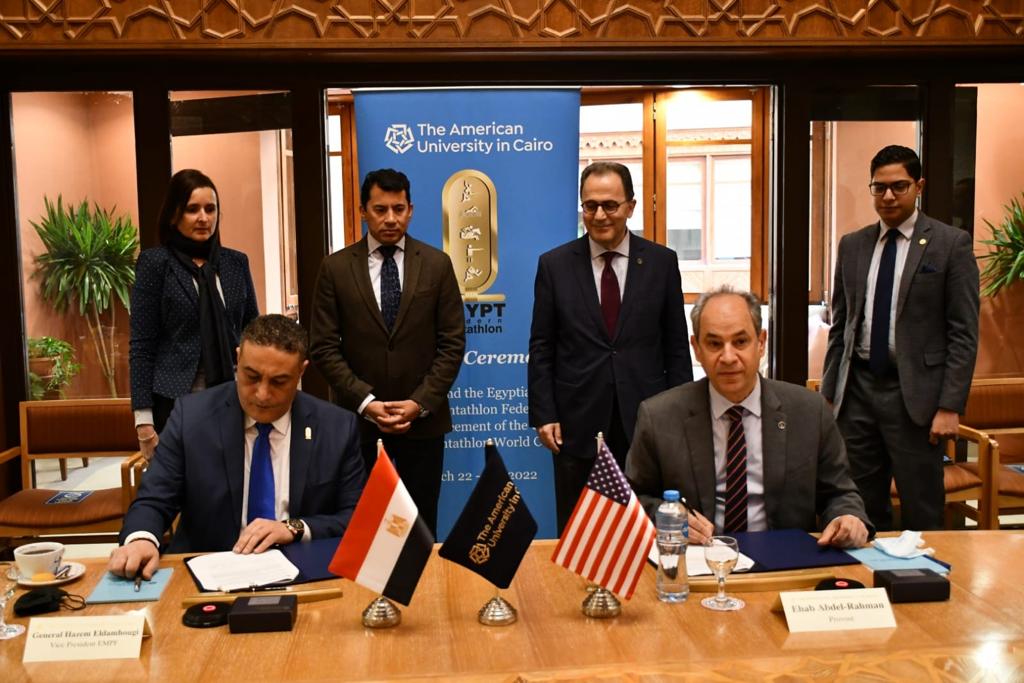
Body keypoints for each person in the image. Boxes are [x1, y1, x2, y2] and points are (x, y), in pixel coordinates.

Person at [109, 315, 366, 580]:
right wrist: (141, 539)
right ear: (238, 358)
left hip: (304, 572)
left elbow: (357, 518)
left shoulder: (336, 427)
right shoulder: (192, 417)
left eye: (279, 382)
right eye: (251, 376)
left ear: (301, 371)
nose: (262, 394)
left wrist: (294, 528)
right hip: (210, 570)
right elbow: (154, 498)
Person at [626, 286, 871, 549]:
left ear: (761, 342)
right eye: (714, 344)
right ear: (696, 348)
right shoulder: (659, 416)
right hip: (699, 558)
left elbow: (840, 494)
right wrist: (668, 518)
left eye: (740, 342)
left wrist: (847, 518)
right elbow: (631, 500)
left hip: (787, 559)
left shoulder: (809, 411)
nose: (728, 357)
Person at [528, 161, 693, 534]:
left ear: (631, 207)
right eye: (590, 206)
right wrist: (544, 413)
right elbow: (541, 346)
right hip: (577, 422)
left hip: (647, 420)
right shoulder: (554, 265)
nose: (600, 215)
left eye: (610, 205)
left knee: (644, 531)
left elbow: (676, 347)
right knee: (580, 534)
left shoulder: (662, 263)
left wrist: (682, 415)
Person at [821, 145, 980, 531]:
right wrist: (830, 393)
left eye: (899, 186)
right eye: (879, 187)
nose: (888, 196)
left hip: (916, 398)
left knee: (922, 505)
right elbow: (842, 326)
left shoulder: (950, 244)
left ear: (918, 187)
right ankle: (865, 568)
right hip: (858, 393)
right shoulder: (853, 245)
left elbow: (963, 332)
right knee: (858, 502)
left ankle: (926, 569)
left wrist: (950, 405)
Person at [309, 168, 465, 537]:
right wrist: (366, 402)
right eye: (380, 210)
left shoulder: (437, 264)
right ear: (363, 211)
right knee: (363, 530)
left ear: (411, 210)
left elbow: (452, 342)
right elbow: (324, 346)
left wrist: (420, 402)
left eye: (399, 209)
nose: (390, 219)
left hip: (422, 424)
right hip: (358, 424)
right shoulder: (335, 268)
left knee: (420, 529)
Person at [130, 169, 260, 458]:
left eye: (210, 209)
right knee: (187, 482)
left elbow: (253, 332)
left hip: (235, 397)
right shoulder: (155, 264)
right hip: (175, 402)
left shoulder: (235, 263)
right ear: (173, 215)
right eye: (192, 209)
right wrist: (144, 423)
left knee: (235, 478)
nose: (203, 218)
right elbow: (141, 346)